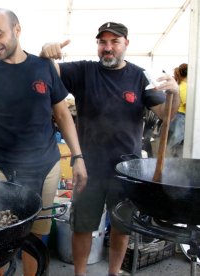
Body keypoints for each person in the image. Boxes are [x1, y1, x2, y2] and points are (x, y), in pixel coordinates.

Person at [40, 22, 180, 276]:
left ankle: (113, 273)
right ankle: (80, 274)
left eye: (114, 42)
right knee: (82, 225)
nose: (108, 48)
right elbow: (49, 71)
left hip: (127, 170)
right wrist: (45, 53)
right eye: (103, 42)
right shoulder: (84, 71)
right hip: (88, 168)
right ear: (97, 45)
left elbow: (166, 115)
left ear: (126, 44)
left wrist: (174, 94)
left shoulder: (139, 77)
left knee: (122, 227)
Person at [0, 9, 87, 276]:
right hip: (3, 169)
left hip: (46, 166)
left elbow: (62, 114)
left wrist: (78, 157)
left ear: (17, 30)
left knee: (37, 236)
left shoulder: (43, 66)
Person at [168, 63, 187, 157]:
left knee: (175, 142)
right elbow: (188, 106)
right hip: (181, 117)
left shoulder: (181, 85)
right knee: (176, 143)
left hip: (178, 117)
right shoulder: (184, 87)